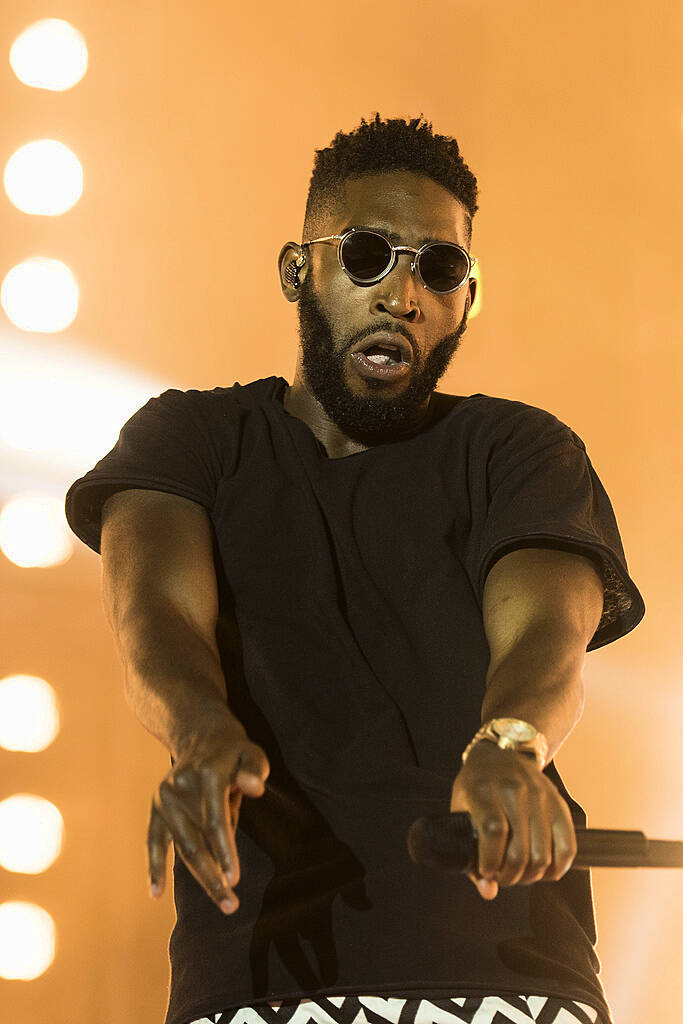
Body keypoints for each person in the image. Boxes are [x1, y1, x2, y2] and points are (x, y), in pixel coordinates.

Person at [64, 114, 645, 1024]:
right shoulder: (190, 440)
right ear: (300, 268)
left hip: (508, 971)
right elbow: (156, 619)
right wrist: (200, 734)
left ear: (467, 295)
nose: (402, 294)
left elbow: (545, 630)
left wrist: (509, 747)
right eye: (369, 253)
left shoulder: (519, 449)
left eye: (438, 267)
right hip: (260, 973)